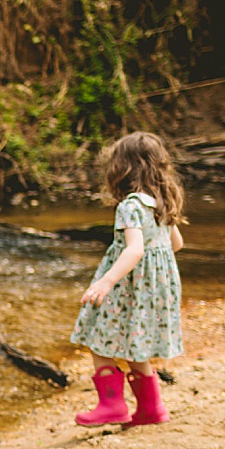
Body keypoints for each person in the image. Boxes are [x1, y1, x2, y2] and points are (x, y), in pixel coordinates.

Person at [69, 131, 185, 428]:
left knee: (99, 340)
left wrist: (106, 281)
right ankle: (151, 409)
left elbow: (134, 249)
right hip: (154, 291)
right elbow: (176, 244)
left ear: (122, 169)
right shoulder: (162, 202)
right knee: (136, 346)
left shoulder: (130, 206)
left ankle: (112, 406)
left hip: (127, 287)